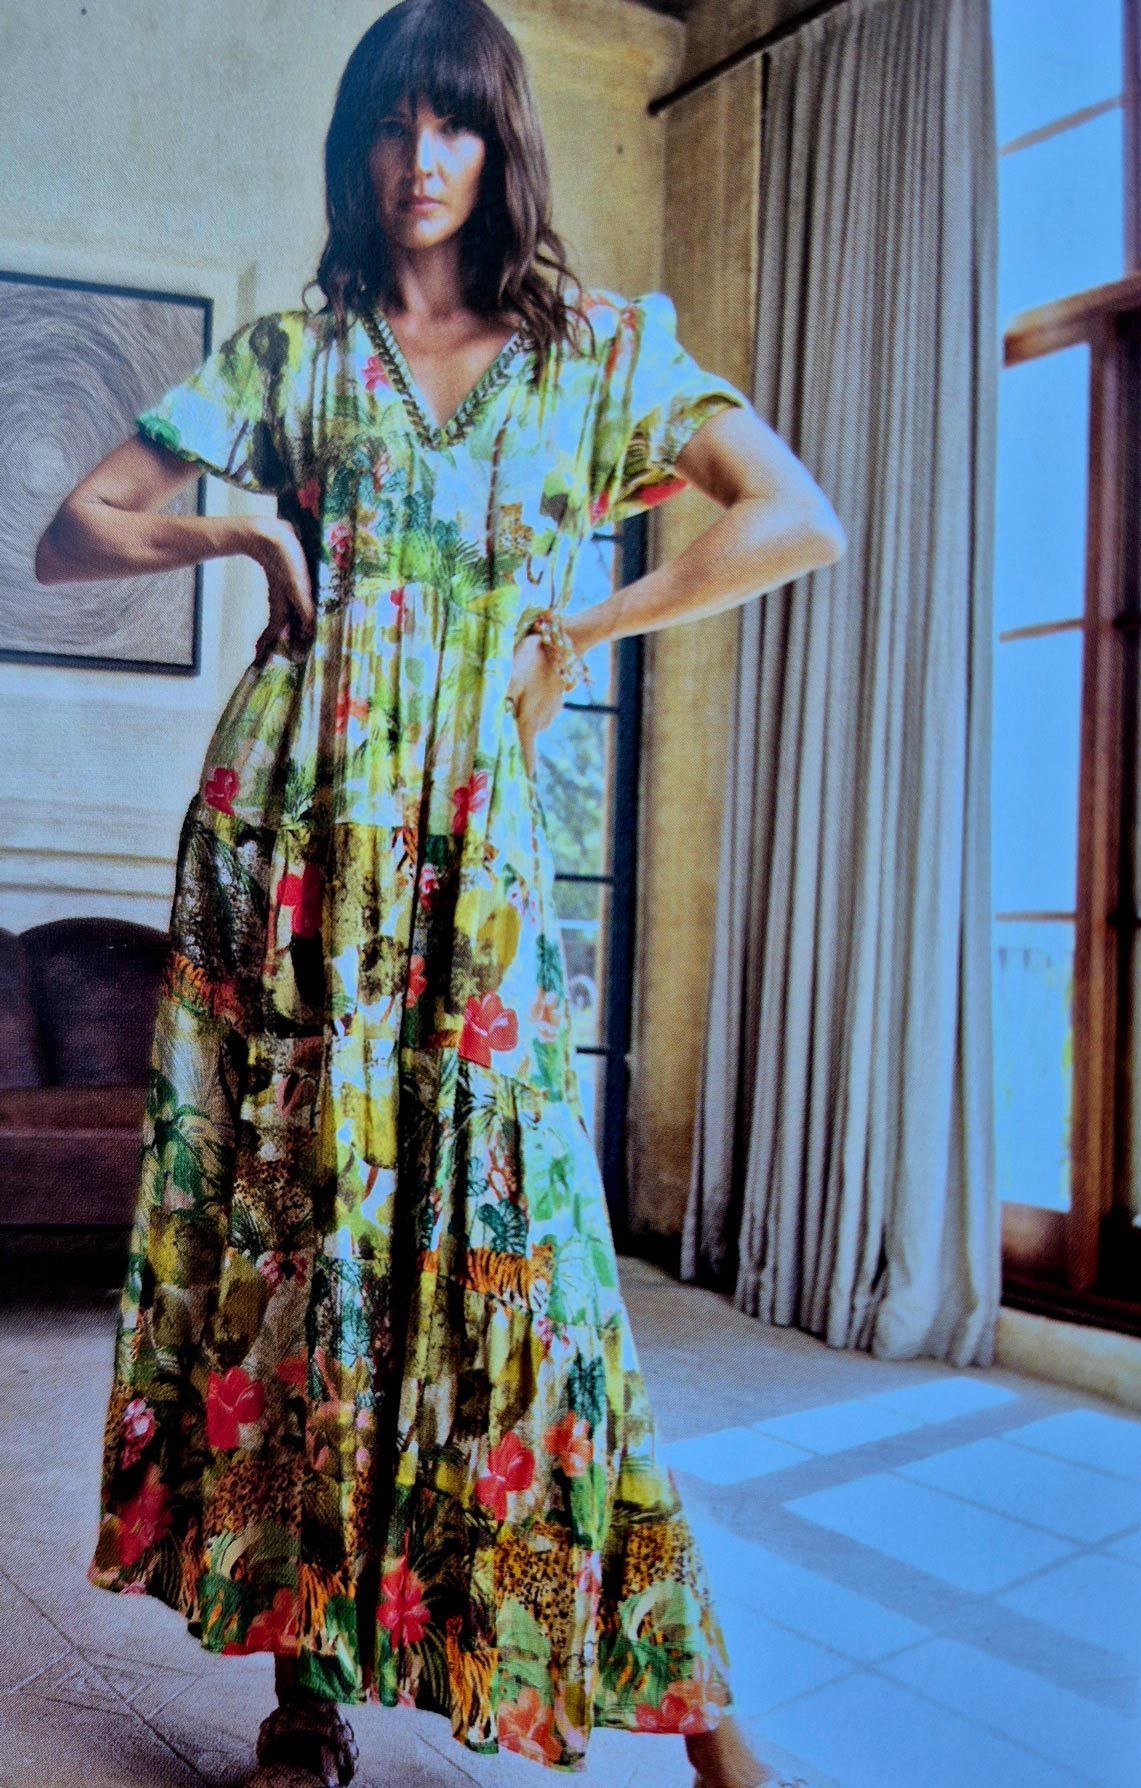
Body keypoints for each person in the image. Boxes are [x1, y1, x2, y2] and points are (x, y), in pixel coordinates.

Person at [36, 3, 845, 1784]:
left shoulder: (593, 353)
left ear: (499, 144)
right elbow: (74, 529)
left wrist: (590, 620)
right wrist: (244, 533)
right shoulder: (293, 358)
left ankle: (712, 1734)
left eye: (454, 125)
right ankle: (303, 1691)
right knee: (308, 1262)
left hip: (471, 873)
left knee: (534, 1269)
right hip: (294, 862)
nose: (421, 160)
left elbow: (795, 514)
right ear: (356, 151)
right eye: (391, 127)